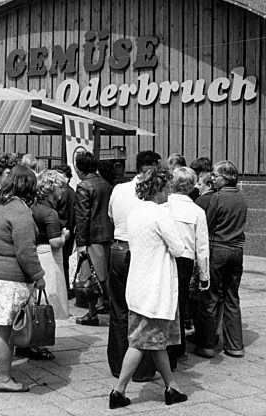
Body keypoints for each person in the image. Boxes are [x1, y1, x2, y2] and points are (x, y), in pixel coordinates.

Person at [109, 167, 188, 410]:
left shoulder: (135, 212)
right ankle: (118, 390)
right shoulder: (160, 214)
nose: (169, 192)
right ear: (159, 188)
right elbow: (178, 247)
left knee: (155, 341)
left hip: (139, 284)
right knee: (140, 341)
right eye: (167, 188)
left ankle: (171, 386)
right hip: (155, 287)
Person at [0, 165, 46, 392]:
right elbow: (26, 251)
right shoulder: (19, 210)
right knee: (4, 330)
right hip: (7, 277)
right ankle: (4, 379)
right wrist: (38, 275)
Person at [107, 150, 160, 382]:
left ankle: (118, 364)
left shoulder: (119, 189)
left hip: (118, 249)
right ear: (153, 168)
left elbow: (110, 215)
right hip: (140, 251)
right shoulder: (153, 193)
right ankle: (142, 368)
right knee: (143, 310)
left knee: (118, 309)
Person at [194, 161, 248, 359]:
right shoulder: (242, 197)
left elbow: (206, 225)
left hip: (217, 250)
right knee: (232, 297)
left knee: (210, 297)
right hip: (237, 250)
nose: (212, 178)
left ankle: (207, 345)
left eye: (216, 175)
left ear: (226, 177)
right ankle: (235, 345)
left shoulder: (217, 198)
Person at [165, 167, 210, 370]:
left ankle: (165, 348)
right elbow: (202, 247)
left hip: (165, 257)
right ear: (192, 185)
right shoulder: (197, 211)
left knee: (165, 303)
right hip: (186, 260)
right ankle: (178, 347)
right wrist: (204, 275)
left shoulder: (164, 206)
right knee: (180, 302)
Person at [74, 152, 114, 326]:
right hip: (107, 236)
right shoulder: (105, 184)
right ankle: (103, 311)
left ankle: (92, 313)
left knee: (92, 277)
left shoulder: (84, 186)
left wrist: (81, 243)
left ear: (79, 167)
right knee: (104, 276)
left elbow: (82, 216)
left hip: (92, 238)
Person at [32, 170, 70, 320]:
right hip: (49, 257)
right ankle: (40, 336)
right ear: (51, 188)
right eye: (60, 187)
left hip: (35, 253)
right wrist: (64, 236)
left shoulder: (33, 207)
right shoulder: (50, 212)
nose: (62, 190)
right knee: (49, 296)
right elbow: (55, 242)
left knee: (37, 298)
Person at [54, 164, 76, 297]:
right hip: (70, 229)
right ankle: (66, 288)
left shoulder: (63, 192)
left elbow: (61, 213)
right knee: (65, 260)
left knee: (60, 260)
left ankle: (63, 289)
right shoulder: (72, 191)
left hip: (61, 229)